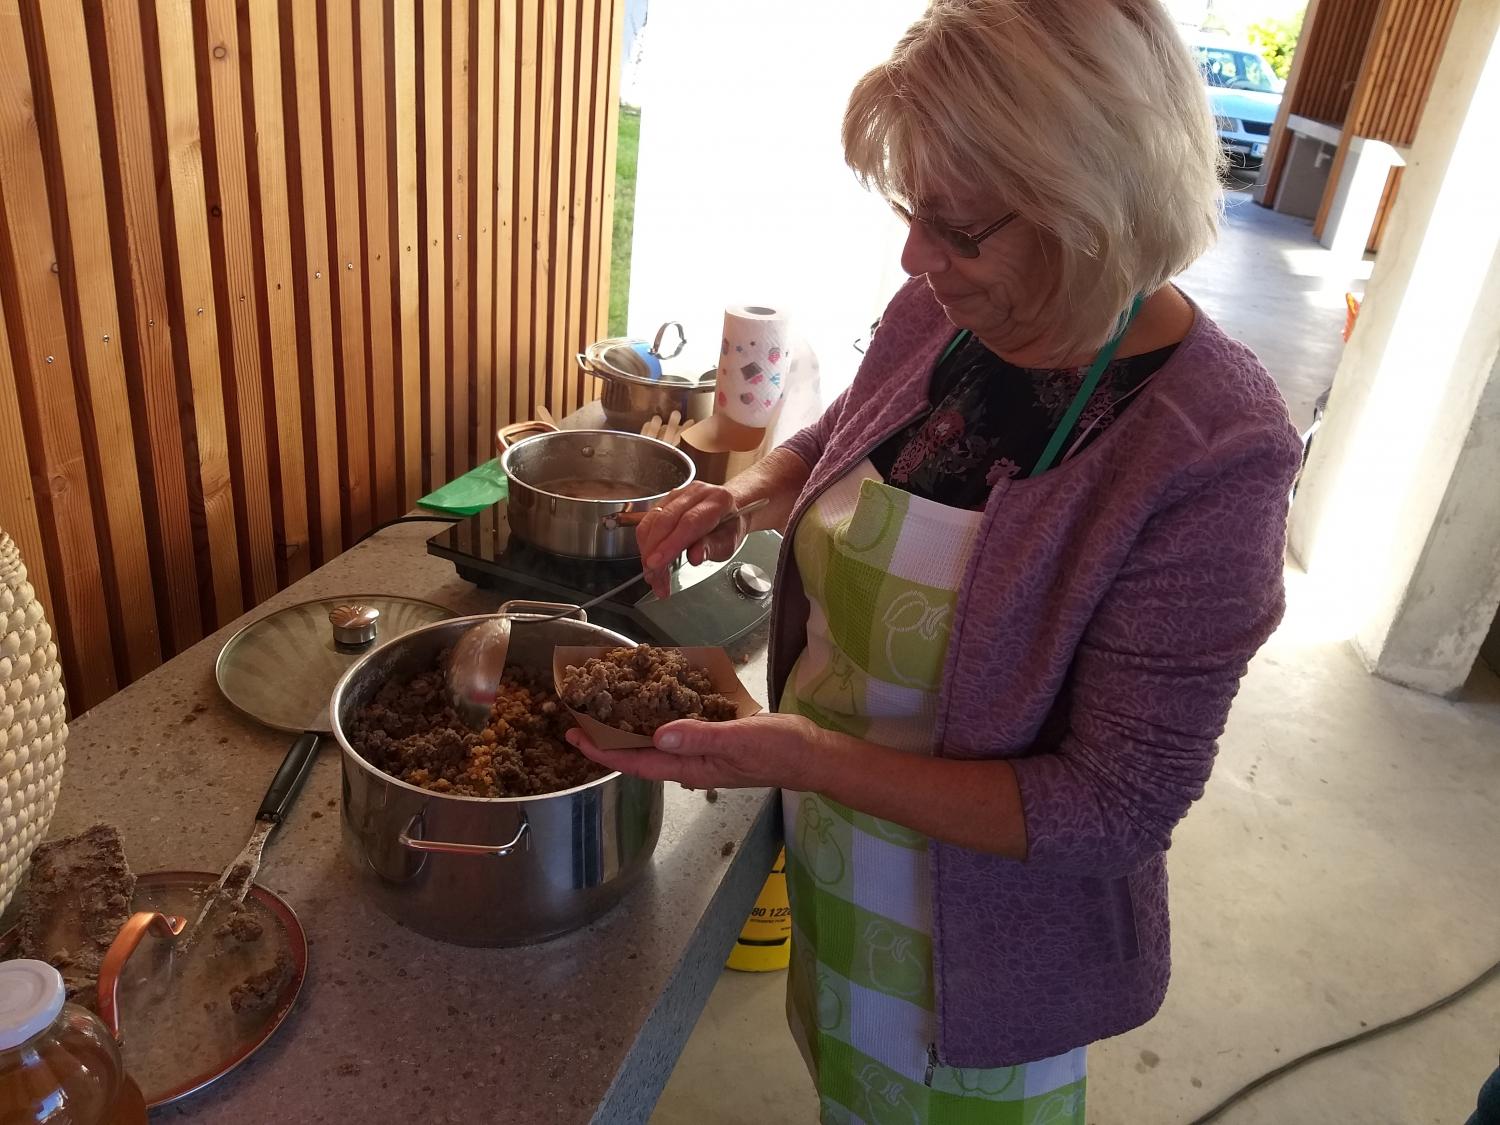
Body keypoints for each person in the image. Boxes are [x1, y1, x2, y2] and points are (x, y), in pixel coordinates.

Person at [567, 0, 1302, 1120]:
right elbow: (854, 432)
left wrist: (815, 757)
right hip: (833, 858)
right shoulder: (944, 310)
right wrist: (752, 494)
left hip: (989, 958)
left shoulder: (1213, 449)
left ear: (1096, 209)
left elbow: (1114, 807)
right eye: (913, 213)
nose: (917, 259)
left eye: (958, 229)